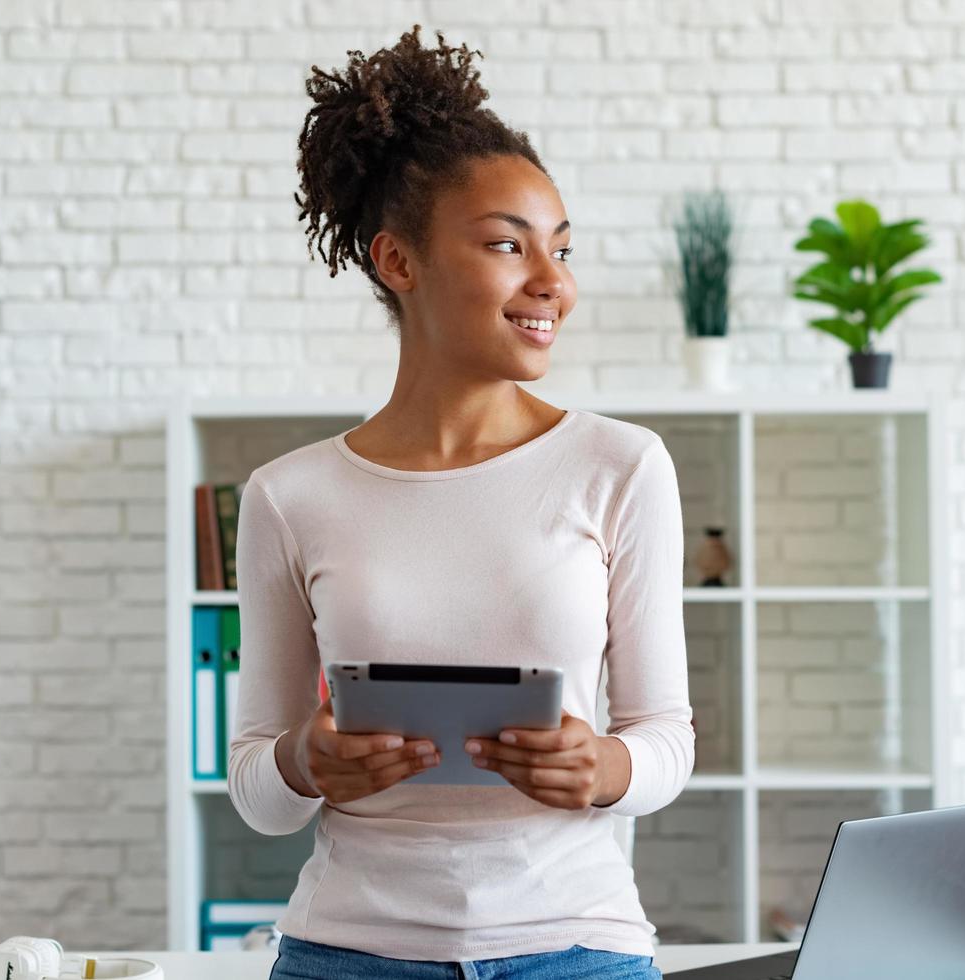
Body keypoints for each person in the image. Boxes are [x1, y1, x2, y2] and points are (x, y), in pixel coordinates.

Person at [228, 24, 694, 980]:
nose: (552, 284)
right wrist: (305, 762)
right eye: (504, 246)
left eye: (560, 249)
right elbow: (257, 788)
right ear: (398, 262)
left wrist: (605, 769)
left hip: (576, 946)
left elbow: (664, 738)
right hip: (349, 952)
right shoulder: (290, 496)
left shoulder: (621, 465)